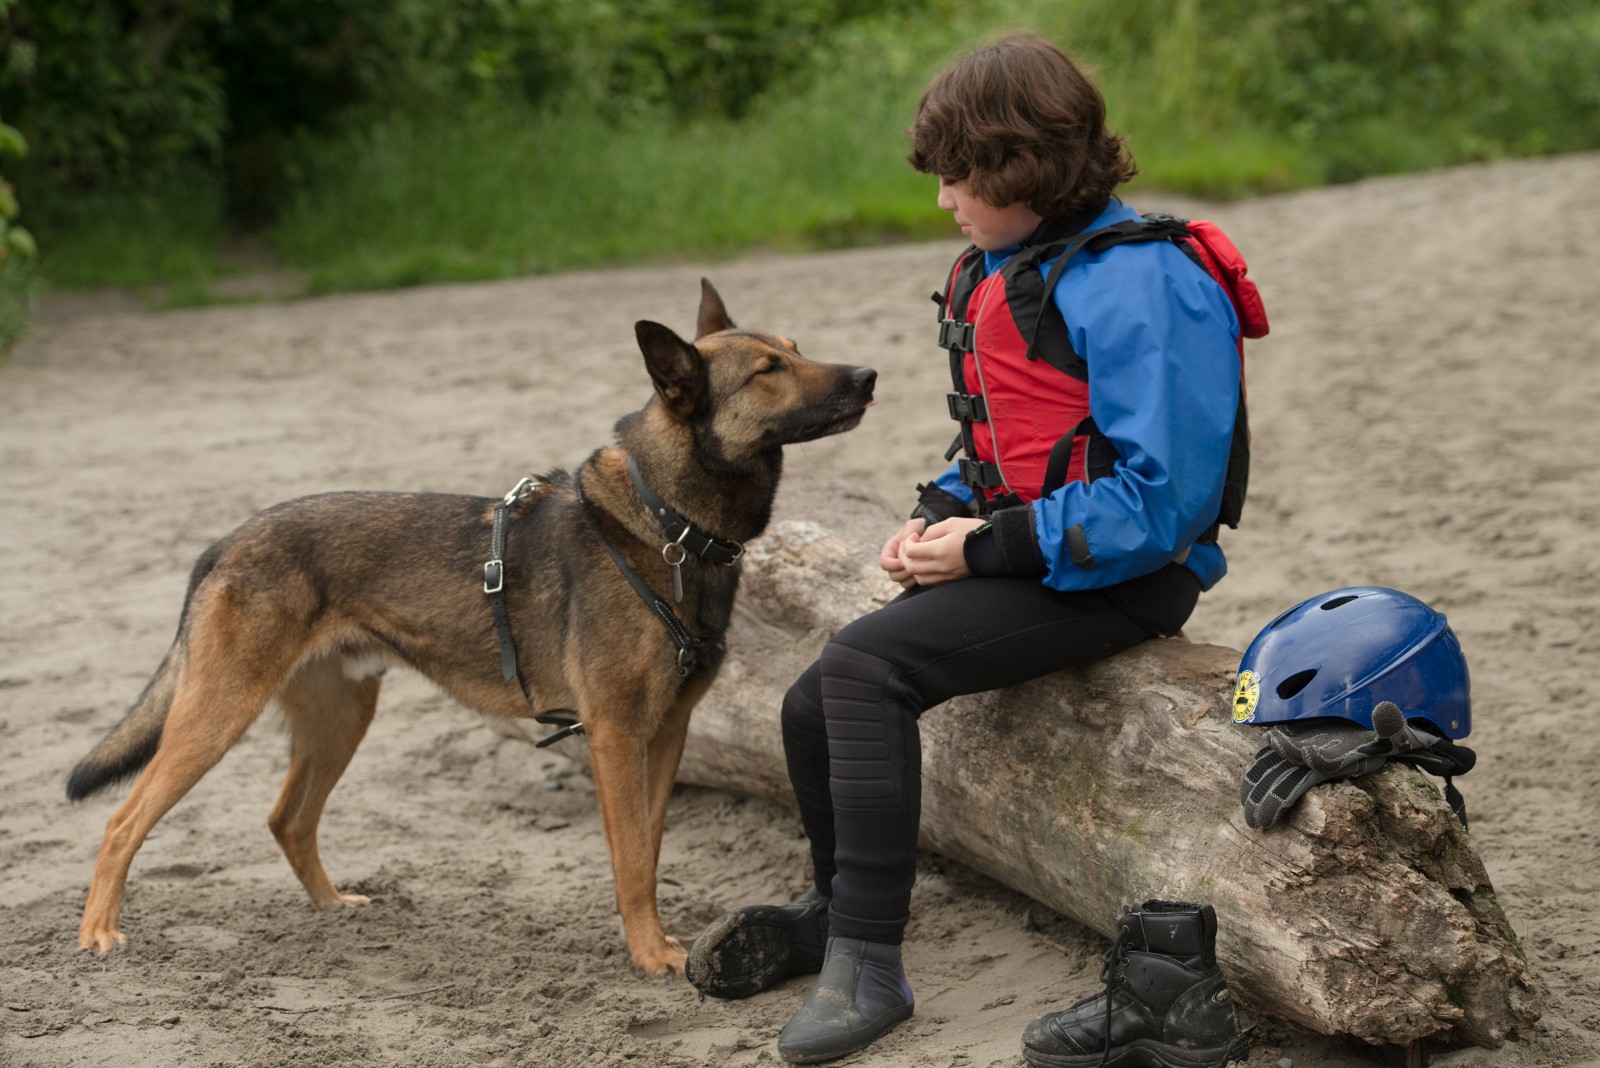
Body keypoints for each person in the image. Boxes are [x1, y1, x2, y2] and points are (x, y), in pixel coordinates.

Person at [686, 32, 1247, 1064]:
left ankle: (871, 964)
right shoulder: (1013, 263)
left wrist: (985, 552)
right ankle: (829, 905)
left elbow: (1164, 503)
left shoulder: (1143, 284)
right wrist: (938, 511)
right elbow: (1007, 440)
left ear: (1014, 168)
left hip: (1131, 579)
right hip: (1041, 553)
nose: (944, 200)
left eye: (956, 177)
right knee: (814, 697)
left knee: (862, 669)